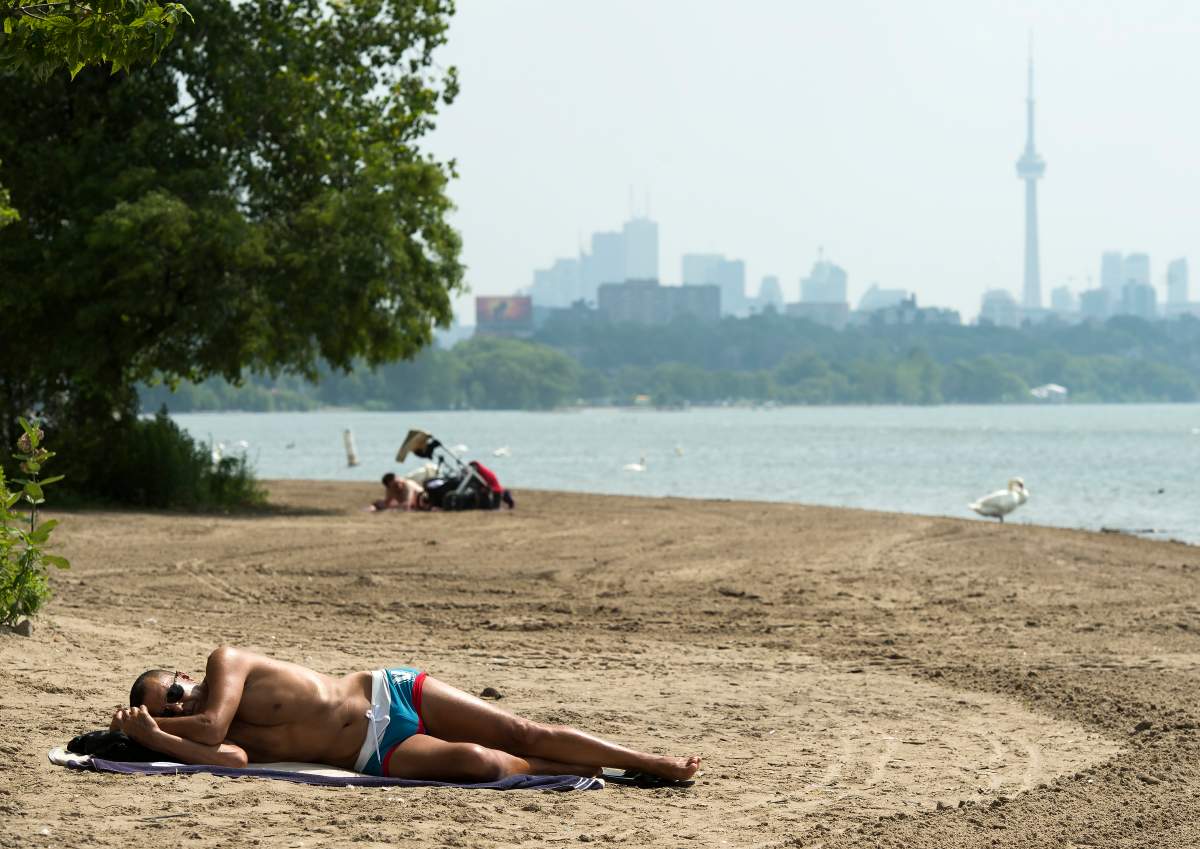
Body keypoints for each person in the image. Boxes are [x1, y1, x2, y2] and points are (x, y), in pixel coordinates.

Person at [111, 646, 701, 783]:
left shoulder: (226, 664)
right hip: (370, 753)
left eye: (173, 691)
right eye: (166, 707)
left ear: (185, 676)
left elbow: (211, 726)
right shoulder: (209, 731)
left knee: (523, 729)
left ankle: (651, 762)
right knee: (481, 762)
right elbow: (230, 757)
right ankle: (596, 770)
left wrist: (149, 728)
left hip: (388, 693)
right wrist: (158, 742)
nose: (177, 703)